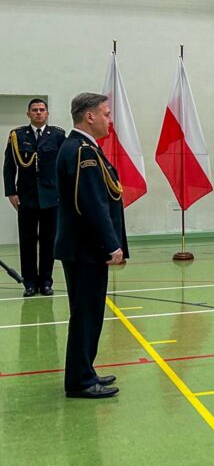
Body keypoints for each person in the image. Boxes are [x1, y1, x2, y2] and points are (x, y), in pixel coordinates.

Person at [55, 93, 127, 399]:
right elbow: (92, 204)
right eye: (106, 114)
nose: (110, 120)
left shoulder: (80, 147)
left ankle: (85, 370)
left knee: (89, 313)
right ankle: (80, 381)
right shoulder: (81, 151)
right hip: (86, 249)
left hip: (82, 248)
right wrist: (111, 244)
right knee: (86, 314)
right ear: (89, 116)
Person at [4, 98, 65, 297]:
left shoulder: (57, 135)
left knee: (49, 241)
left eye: (42, 109)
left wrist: (64, 192)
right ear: (28, 113)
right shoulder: (17, 136)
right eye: (34, 110)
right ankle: (29, 283)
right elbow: (9, 166)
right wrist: (11, 192)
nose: (38, 113)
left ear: (47, 113)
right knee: (27, 241)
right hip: (27, 197)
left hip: (51, 196)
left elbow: (64, 166)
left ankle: (46, 282)